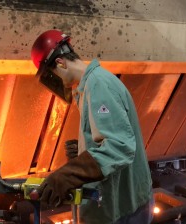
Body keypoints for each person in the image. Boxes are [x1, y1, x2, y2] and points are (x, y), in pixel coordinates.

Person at [31, 29, 153, 224]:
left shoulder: (98, 85)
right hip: (123, 205)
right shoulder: (89, 85)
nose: (57, 82)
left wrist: (70, 173)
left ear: (60, 63)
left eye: (53, 74)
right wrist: (85, 152)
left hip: (124, 210)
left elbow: (119, 147)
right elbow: (108, 134)